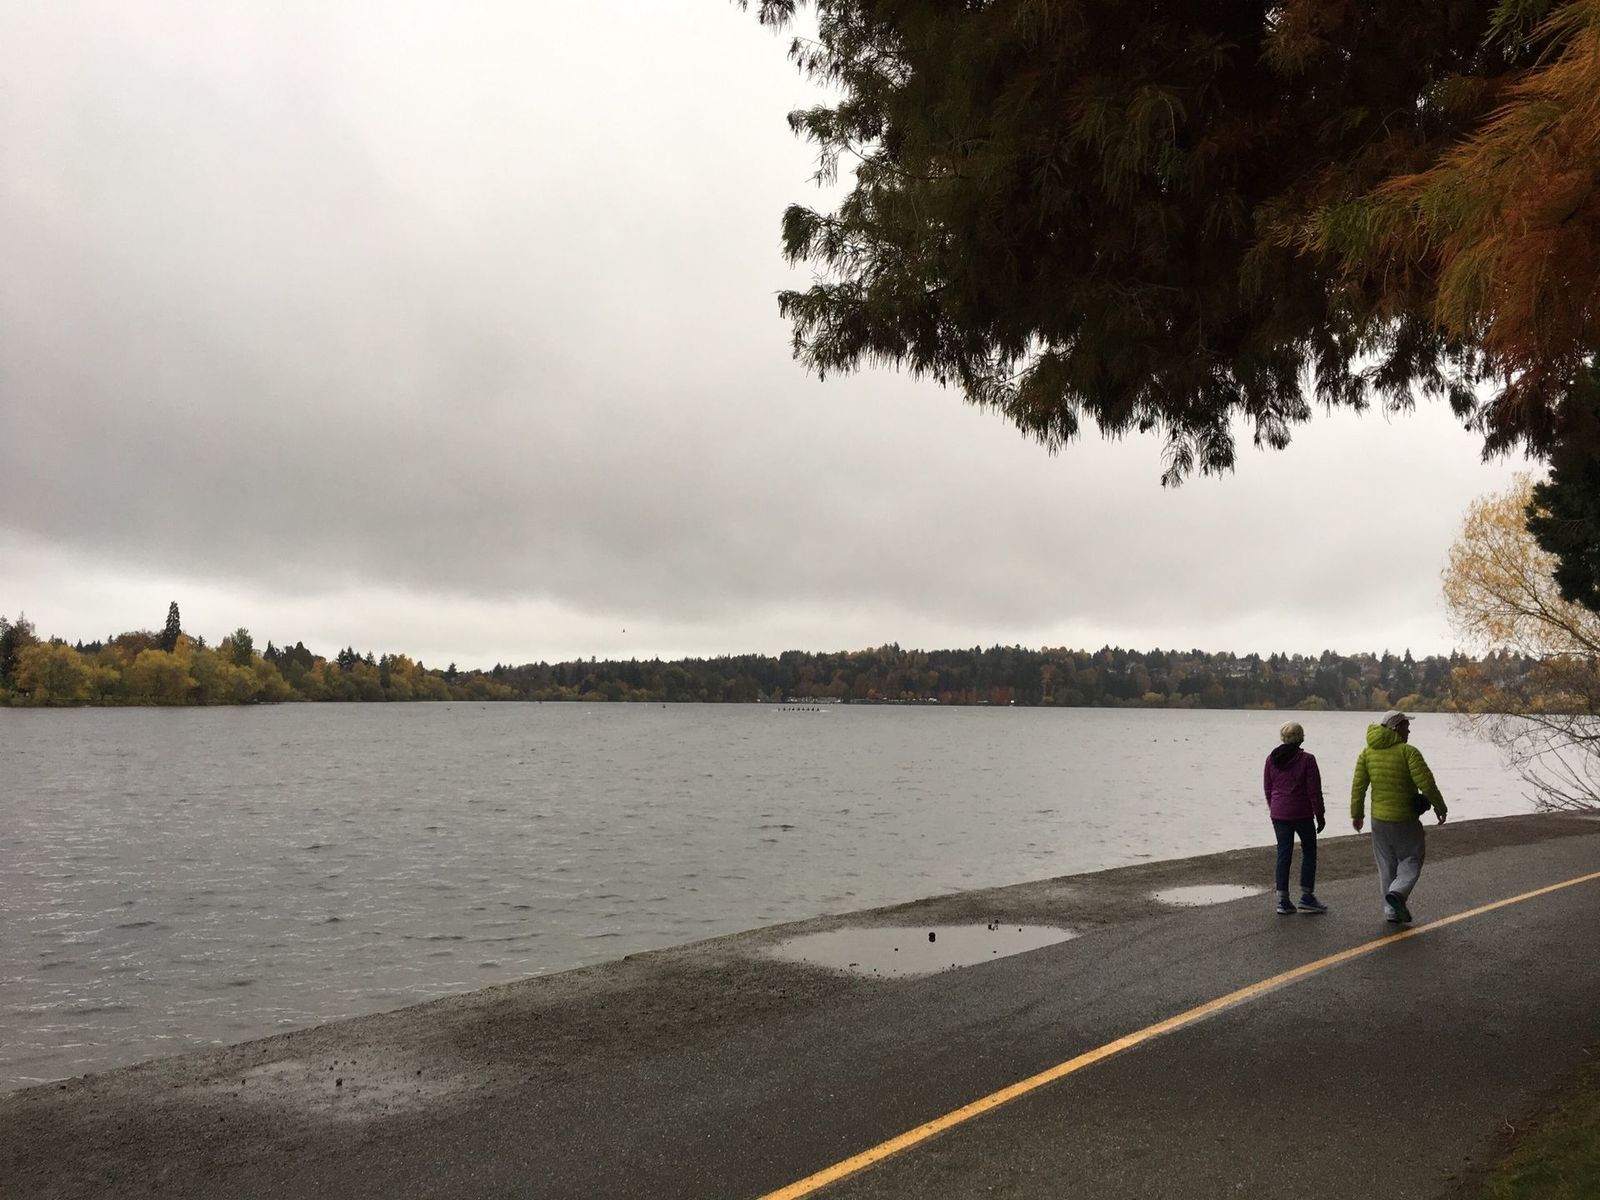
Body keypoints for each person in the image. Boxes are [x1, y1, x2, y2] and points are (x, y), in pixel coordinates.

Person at [1351, 710, 1447, 923]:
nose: (1409, 730)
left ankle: (1391, 910)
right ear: (1396, 728)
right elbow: (1427, 784)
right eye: (1406, 726)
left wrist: (1357, 814)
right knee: (1412, 857)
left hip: (1378, 820)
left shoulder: (1367, 753)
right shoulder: (1408, 752)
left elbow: (1358, 787)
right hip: (1405, 818)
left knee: (1386, 864)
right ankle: (1398, 892)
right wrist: (1440, 807)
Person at [1264, 720, 1327, 914]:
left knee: (1284, 853)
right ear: (1301, 738)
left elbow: (1268, 787)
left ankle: (1282, 900)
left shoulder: (1271, 759)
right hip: (1301, 814)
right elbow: (1314, 791)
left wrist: (1274, 807)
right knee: (1309, 851)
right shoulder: (1307, 760)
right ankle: (1307, 896)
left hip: (1278, 813)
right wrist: (1320, 815)